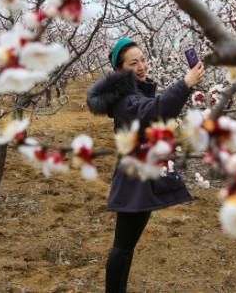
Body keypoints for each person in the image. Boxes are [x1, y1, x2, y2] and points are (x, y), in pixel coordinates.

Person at [86, 37, 205, 293]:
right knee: (123, 245)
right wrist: (185, 84)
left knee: (127, 245)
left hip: (142, 174)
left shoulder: (134, 93)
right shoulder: (125, 101)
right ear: (120, 70)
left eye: (143, 59)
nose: (142, 66)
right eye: (133, 63)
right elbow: (154, 112)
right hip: (134, 179)